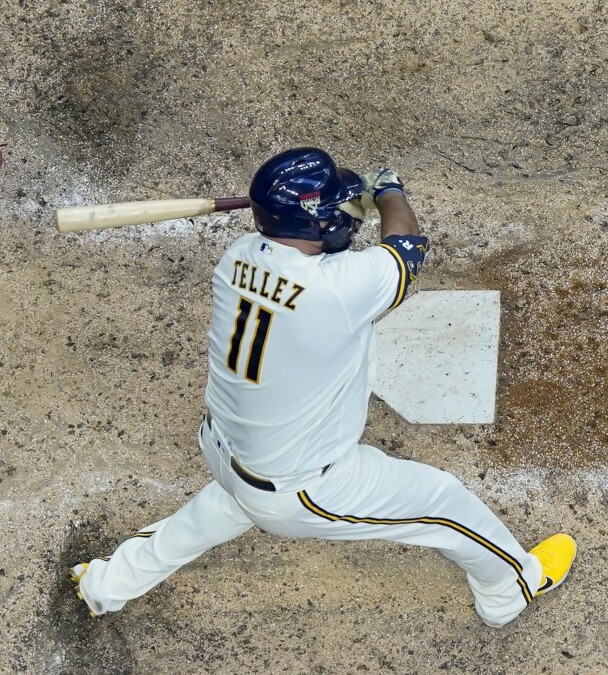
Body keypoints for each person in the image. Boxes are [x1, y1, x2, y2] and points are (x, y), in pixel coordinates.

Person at [70, 147, 576, 627]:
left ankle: (106, 583)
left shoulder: (238, 258)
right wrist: (389, 191)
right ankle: (511, 591)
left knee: (224, 505)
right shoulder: (339, 287)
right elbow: (407, 249)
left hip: (225, 449)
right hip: (302, 488)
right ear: (315, 220)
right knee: (445, 502)